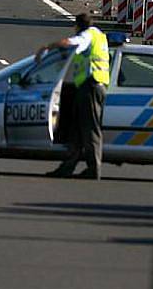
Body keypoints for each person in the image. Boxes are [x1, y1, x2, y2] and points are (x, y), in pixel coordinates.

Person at [36, 13, 110, 180]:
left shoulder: (87, 35)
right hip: (89, 86)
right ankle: (67, 167)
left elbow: (72, 43)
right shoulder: (99, 35)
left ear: (78, 26)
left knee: (90, 129)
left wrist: (48, 47)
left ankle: (94, 169)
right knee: (76, 130)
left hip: (91, 86)